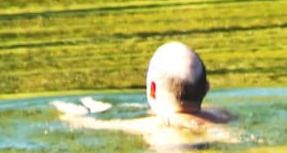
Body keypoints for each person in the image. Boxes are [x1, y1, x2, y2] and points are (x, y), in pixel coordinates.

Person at [53, 42, 235, 145]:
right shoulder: (222, 116)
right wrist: (110, 108)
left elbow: (97, 126)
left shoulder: (155, 125)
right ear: (207, 88)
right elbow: (187, 116)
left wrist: (74, 117)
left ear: (152, 90)